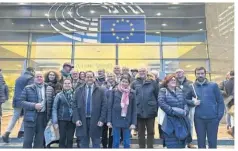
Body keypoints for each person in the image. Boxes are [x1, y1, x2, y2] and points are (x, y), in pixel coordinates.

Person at [186, 67, 225, 148]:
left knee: (212, 141)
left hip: (213, 118)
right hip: (198, 119)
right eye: (198, 74)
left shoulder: (213, 85)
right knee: (201, 142)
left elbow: (220, 101)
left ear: (205, 74)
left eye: (202, 73)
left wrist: (219, 116)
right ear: (195, 75)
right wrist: (193, 102)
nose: (200, 75)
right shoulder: (191, 86)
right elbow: (185, 100)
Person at [72, 71, 107, 148]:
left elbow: (104, 106)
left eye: (91, 77)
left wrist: (101, 120)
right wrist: (77, 119)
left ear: (94, 78)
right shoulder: (79, 90)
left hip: (96, 120)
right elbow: (74, 105)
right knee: (84, 144)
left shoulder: (100, 90)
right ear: (84, 78)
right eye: (87, 77)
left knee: (96, 143)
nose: (89, 78)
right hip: (82, 120)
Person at [20, 72, 54, 148]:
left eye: (41, 76)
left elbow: (51, 105)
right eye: (37, 77)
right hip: (30, 118)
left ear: (44, 78)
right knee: (27, 141)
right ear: (34, 79)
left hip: (43, 118)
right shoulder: (27, 88)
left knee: (39, 141)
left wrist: (51, 118)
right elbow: (21, 102)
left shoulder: (49, 89)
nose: (39, 78)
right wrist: (34, 105)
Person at [2, 67, 35, 143]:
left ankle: (7, 132)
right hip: (25, 101)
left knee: (14, 117)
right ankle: (21, 132)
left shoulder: (18, 78)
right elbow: (30, 90)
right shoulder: (30, 78)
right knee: (27, 116)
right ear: (32, 71)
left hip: (17, 100)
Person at [158, 74, 192, 148]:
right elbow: (161, 103)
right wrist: (173, 111)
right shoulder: (163, 90)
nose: (173, 81)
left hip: (181, 120)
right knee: (172, 143)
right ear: (167, 82)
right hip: (169, 120)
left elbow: (184, 103)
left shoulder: (180, 90)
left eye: (174, 80)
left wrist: (185, 112)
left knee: (181, 142)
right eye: (171, 80)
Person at [131, 67, 159, 148]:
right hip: (139, 111)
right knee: (140, 132)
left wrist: (155, 108)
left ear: (147, 72)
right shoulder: (134, 83)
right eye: (140, 71)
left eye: (143, 71)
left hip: (150, 110)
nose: (142, 72)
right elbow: (131, 96)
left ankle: (150, 147)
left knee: (151, 131)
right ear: (138, 72)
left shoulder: (153, 82)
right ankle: (142, 147)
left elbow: (157, 95)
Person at [107, 75, 136, 148]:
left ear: (129, 83)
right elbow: (110, 107)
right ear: (120, 82)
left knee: (126, 143)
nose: (124, 83)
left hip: (127, 121)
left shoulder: (132, 93)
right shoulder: (114, 92)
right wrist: (109, 121)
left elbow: (134, 109)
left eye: (126, 82)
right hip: (116, 121)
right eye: (123, 81)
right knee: (116, 142)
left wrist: (133, 123)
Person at [52, 79, 75, 148]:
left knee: (70, 139)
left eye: (69, 83)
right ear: (63, 85)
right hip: (62, 120)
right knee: (62, 139)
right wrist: (55, 122)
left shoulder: (75, 94)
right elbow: (54, 108)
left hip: (72, 120)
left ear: (71, 84)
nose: (67, 85)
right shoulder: (59, 95)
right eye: (65, 83)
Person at [175, 69, 195, 148]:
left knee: (189, 125)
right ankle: (178, 141)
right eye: (176, 72)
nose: (178, 74)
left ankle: (189, 142)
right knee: (177, 124)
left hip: (189, 107)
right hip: (177, 107)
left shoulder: (190, 83)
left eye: (180, 72)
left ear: (183, 73)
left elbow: (194, 95)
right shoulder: (173, 82)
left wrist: (193, 102)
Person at [101, 73, 118, 148]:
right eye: (109, 76)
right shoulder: (102, 86)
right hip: (104, 111)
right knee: (104, 131)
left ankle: (110, 147)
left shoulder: (118, 86)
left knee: (112, 132)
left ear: (115, 77)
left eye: (112, 76)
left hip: (113, 112)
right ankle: (104, 146)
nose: (110, 78)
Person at [224, 71, 234, 137]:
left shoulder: (226, 83)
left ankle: (230, 127)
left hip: (229, 101)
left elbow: (226, 92)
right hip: (232, 102)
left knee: (231, 116)